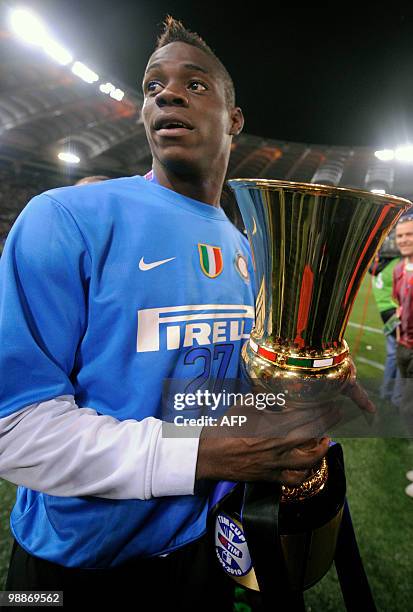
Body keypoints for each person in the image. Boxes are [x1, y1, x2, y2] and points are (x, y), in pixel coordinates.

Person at [0, 16, 371, 609]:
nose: (167, 93)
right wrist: (200, 453)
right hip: (75, 569)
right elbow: (14, 430)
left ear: (235, 120)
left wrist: (304, 385)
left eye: (195, 85)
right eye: (153, 87)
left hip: (210, 548)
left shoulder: (252, 249)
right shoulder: (65, 218)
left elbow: (225, 388)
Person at [392, 213, 413, 498]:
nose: (404, 240)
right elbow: (399, 304)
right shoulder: (398, 268)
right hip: (404, 349)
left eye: (409, 235)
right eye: (400, 236)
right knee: (408, 410)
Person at [368, 244, 401, 406]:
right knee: (403, 355)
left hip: (385, 313)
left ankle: (386, 391)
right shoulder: (396, 264)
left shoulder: (378, 266)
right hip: (396, 312)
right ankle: (398, 397)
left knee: (393, 354)